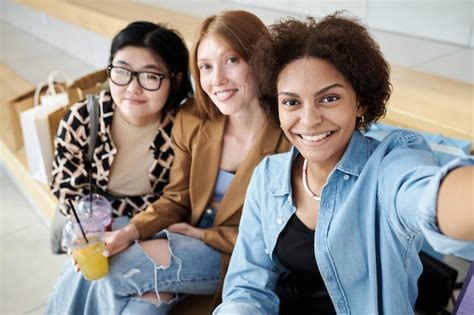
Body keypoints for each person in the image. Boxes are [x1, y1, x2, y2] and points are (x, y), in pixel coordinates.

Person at [214, 13, 474, 315]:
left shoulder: (387, 167)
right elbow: (248, 287)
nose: (309, 120)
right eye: (291, 102)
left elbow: (427, 194)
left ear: (360, 102)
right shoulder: (268, 176)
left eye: (329, 99)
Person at [45, 11, 291, 314]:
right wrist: (130, 231)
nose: (217, 79)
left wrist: (206, 235)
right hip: (185, 236)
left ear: (261, 59)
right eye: (205, 66)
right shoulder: (193, 120)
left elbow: (282, 234)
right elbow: (177, 198)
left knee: (116, 268)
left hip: (240, 253)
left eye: (232, 61)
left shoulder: (289, 137)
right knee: (141, 304)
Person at [49, 21, 193, 253]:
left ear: (175, 80)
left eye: (150, 76)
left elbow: (178, 199)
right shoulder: (85, 117)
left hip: (151, 225)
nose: (132, 87)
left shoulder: (183, 127)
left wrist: (130, 230)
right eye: (122, 71)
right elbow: (67, 190)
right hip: (91, 223)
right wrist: (100, 233)